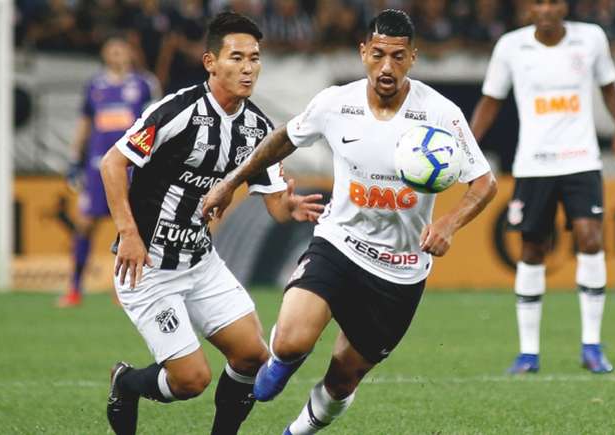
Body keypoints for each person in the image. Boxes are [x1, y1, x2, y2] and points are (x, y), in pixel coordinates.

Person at [203, 9, 497, 434]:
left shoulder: (439, 113)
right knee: (289, 341)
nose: (387, 67)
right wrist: (232, 182)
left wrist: (449, 223)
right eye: (378, 55)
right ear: (363, 53)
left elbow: (484, 183)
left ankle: (296, 432)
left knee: (343, 379)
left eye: (398, 57)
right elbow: (283, 137)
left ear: (413, 57)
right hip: (339, 245)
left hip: (398, 270)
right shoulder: (336, 102)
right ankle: (283, 361)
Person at [99, 12, 323, 434]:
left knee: (253, 358)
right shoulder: (176, 110)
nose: (248, 67)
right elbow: (113, 164)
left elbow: (273, 202)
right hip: (148, 269)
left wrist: (288, 206)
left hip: (201, 264)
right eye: (236, 57)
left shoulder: (257, 128)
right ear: (210, 62)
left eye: (254, 58)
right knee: (191, 380)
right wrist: (129, 233)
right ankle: (126, 382)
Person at [470, 0, 615, 374]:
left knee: (591, 239)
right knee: (531, 248)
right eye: (537, 2)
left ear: (565, 6)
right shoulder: (510, 46)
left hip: (582, 159)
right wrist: (469, 145)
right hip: (534, 163)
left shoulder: (591, 39)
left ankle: (591, 345)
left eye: (553, 1)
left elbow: (609, 87)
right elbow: (491, 101)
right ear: (527, 8)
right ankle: (529, 353)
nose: (546, 9)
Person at [57, 35, 156, 308]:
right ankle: (75, 288)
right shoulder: (95, 86)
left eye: (121, 51)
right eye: (112, 51)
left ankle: (124, 291)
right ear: (105, 55)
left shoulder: (143, 85)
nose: (117, 55)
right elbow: (85, 124)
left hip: (130, 165)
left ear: (130, 54)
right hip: (96, 165)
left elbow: (154, 124)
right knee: (85, 223)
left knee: (128, 225)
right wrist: (74, 159)